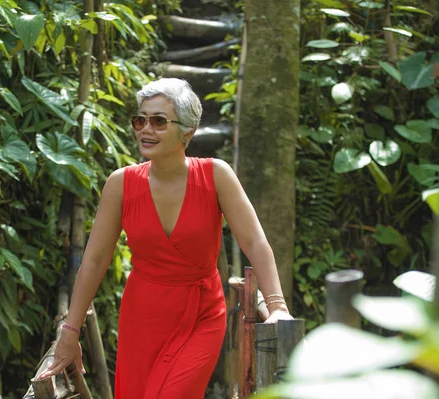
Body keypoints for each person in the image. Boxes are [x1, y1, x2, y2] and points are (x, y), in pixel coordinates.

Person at [37, 78, 293, 398]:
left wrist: (277, 306)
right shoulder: (121, 184)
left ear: (188, 130)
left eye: (159, 121)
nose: (146, 129)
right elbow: (95, 258)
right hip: (142, 317)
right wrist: (70, 331)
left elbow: (254, 241)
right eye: (140, 119)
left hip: (202, 313)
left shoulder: (216, 176)